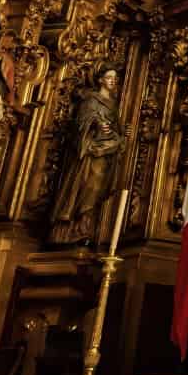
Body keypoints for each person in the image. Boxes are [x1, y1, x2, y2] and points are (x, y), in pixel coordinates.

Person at [51, 67, 127, 243]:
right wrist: (95, 124)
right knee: (89, 184)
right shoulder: (91, 100)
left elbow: (116, 126)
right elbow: (80, 123)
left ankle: (84, 226)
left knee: (98, 187)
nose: (112, 81)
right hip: (91, 150)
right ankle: (74, 227)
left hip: (106, 149)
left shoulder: (114, 104)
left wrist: (121, 132)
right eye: (109, 77)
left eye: (115, 79)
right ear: (100, 79)